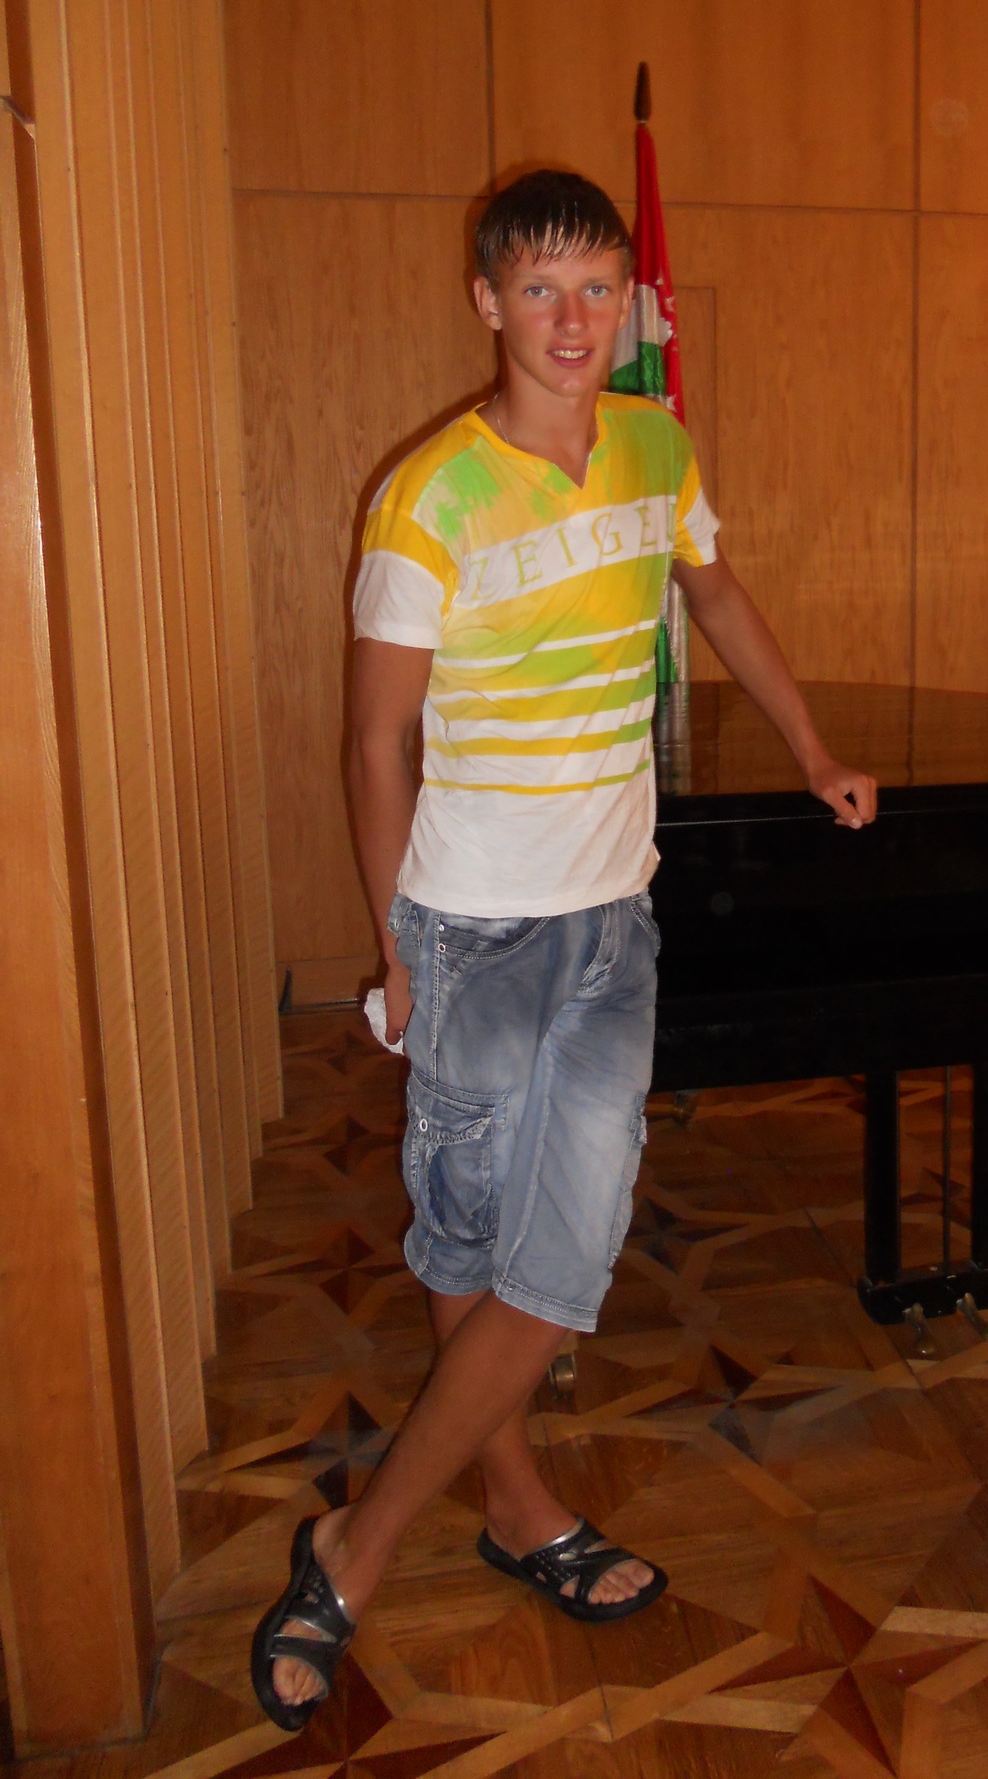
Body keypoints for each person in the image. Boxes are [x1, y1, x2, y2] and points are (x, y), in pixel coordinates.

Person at [251, 169, 878, 1729]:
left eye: (597, 286)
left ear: (628, 301)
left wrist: (810, 746)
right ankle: (520, 1507)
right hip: (471, 928)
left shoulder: (656, 447)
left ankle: (354, 1545)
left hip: (613, 921)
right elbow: (376, 744)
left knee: (561, 1266)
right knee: (475, 1250)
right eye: (540, 290)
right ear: (488, 302)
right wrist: (398, 945)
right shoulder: (429, 500)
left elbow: (717, 593)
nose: (573, 318)